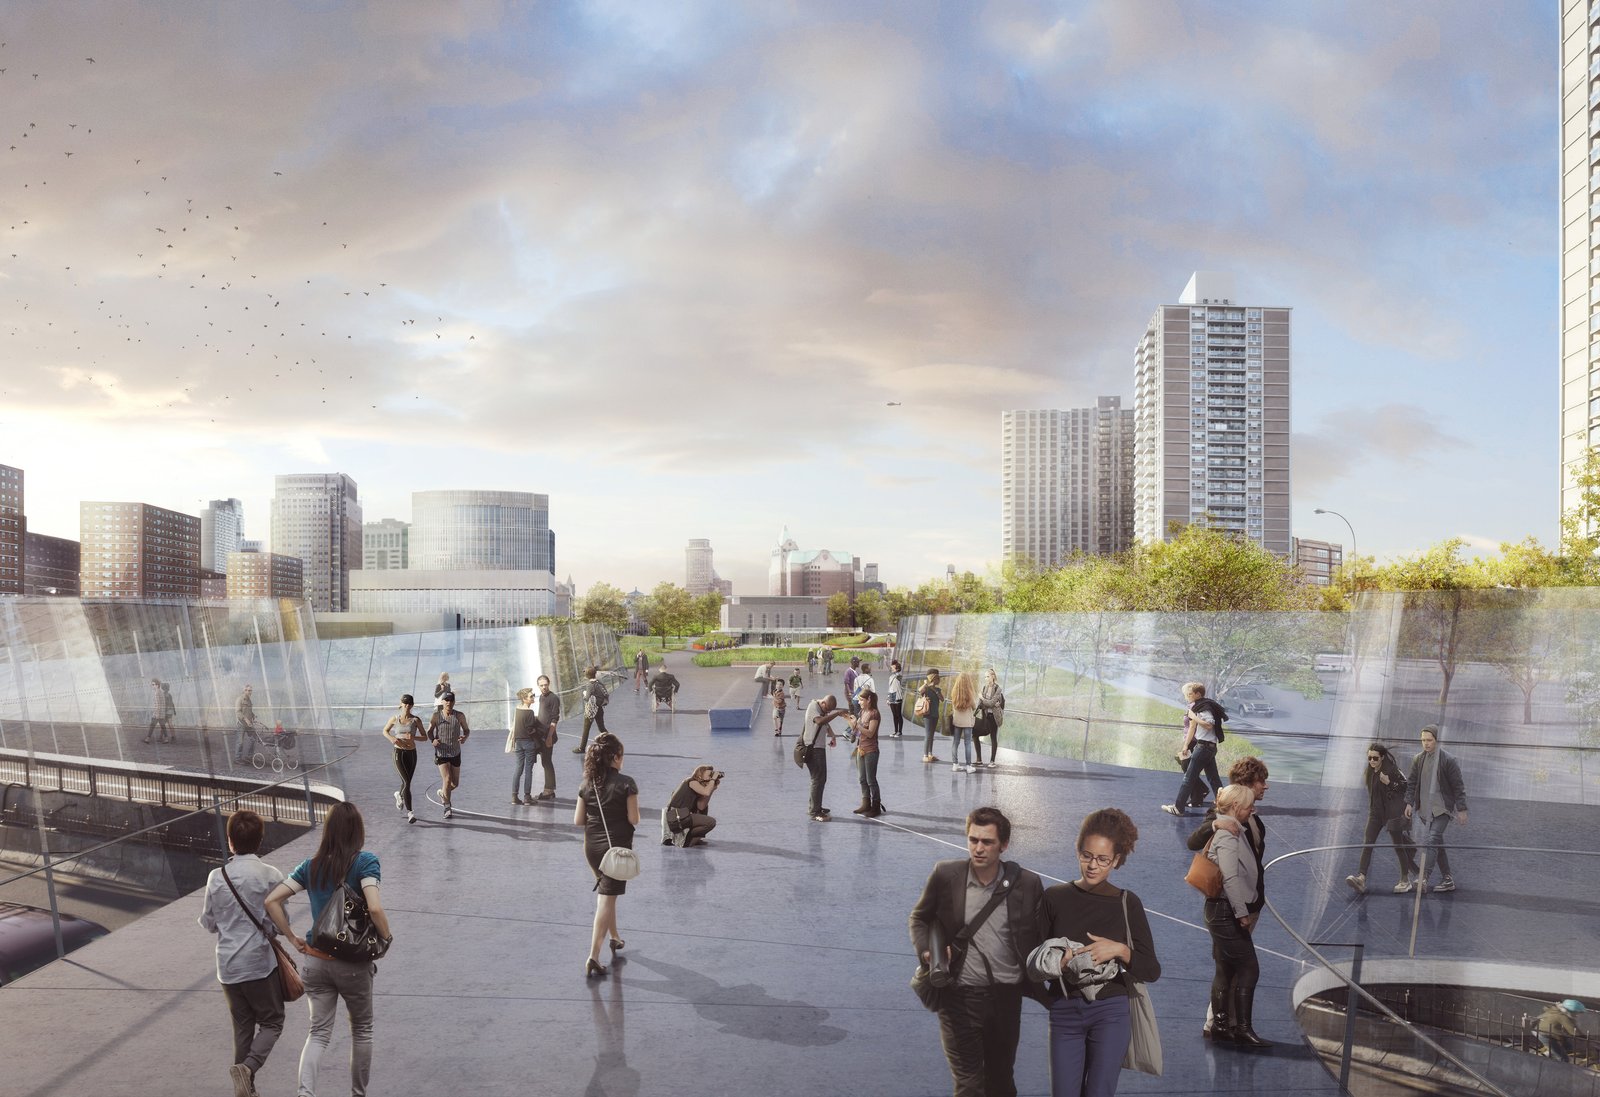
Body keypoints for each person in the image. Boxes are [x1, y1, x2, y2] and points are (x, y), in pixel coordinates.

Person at [909, 806, 1046, 1097]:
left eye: (987, 842)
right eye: (973, 840)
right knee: (969, 1085)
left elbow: (1044, 933)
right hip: (958, 996)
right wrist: (926, 952)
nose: (978, 848)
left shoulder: (1028, 884)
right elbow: (919, 918)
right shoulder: (946, 875)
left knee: (1001, 1082)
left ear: (1004, 845)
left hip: (1006, 999)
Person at [1028, 808, 1160, 1097]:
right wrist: (1058, 970)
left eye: (1102, 859)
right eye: (1086, 855)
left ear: (1116, 861)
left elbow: (1151, 970)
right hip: (1064, 1012)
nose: (1092, 866)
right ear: (1078, 851)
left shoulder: (1128, 903)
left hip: (1111, 1012)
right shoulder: (1054, 898)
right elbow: (1031, 964)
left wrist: (1121, 950)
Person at [264, 802, 391, 1097]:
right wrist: (386, 937)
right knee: (362, 1030)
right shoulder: (365, 862)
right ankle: (358, 1094)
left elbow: (272, 901)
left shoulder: (311, 866)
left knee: (318, 1033)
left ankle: (305, 1093)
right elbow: (373, 906)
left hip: (315, 962)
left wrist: (292, 937)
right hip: (353, 965)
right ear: (357, 830)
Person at [199, 809, 287, 1097]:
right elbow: (276, 924)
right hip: (258, 964)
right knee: (273, 1021)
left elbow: (209, 923)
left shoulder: (216, 876)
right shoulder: (271, 875)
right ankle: (248, 1069)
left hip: (227, 967)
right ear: (260, 839)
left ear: (230, 841)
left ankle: (245, 1090)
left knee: (243, 1028)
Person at [1185, 755, 1271, 1040]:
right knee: (1238, 967)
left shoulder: (1251, 814)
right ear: (1247, 784)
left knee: (1229, 966)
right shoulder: (1225, 815)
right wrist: (1215, 825)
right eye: (1261, 781)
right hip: (1233, 906)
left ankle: (1227, 1024)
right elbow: (1193, 842)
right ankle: (1221, 1024)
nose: (1265, 786)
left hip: (1245, 903)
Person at [1204, 784, 1271, 1047]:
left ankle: (1221, 1026)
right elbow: (1230, 878)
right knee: (1249, 969)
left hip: (1220, 910)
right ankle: (1241, 1028)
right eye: (1248, 806)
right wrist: (1242, 914)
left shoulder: (1231, 827)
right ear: (1234, 808)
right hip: (1226, 912)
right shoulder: (1228, 835)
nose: (1252, 810)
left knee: (1225, 968)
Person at [575, 733, 639, 977]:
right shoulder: (627, 783)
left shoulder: (586, 784)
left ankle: (615, 937)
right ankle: (593, 956)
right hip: (616, 850)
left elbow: (578, 820)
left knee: (607, 894)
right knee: (605, 899)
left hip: (592, 848)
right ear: (615, 757)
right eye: (621, 756)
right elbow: (634, 819)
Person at [1345, 743, 1417, 895]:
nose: (1372, 761)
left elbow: (1406, 787)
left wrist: (1389, 782)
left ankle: (1405, 880)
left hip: (1392, 814)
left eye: (1375, 758)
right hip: (1376, 814)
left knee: (1398, 846)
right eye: (1369, 758)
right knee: (1368, 843)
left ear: (1382, 757)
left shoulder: (1392, 770)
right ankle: (1361, 878)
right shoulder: (1370, 772)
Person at [1404, 725, 1467, 893]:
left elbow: (1458, 787)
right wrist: (1409, 803)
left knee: (1432, 840)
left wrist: (1461, 809)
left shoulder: (1448, 760)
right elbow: (1411, 783)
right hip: (1425, 810)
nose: (1426, 743)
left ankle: (1423, 877)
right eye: (1423, 740)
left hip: (1442, 810)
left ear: (1437, 740)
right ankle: (1448, 879)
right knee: (1436, 843)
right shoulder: (1418, 759)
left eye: (1429, 740)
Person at [1162, 682, 1227, 817]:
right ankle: (1225, 806)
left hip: (1203, 747)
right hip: (1209, 747)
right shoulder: (1203, 705)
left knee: (1188, 779)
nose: (1187, 696)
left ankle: (1178, 808)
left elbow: (1209, 725)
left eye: (1190, 694)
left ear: (1198, 694)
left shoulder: (1203, 707)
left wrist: (1194, 716)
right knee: (1214, 780)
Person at [800, 694, 849, 822]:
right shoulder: (813, 707)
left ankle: (816, 806)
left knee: (821, 779)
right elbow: (820, 721)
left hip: (819, 748)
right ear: (823, 703)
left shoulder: (820, 709)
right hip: (813, 748)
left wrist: (832, 735)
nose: (827, 713)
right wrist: (837, 713)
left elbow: (825, 722)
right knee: (817, 779)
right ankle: (814, 812)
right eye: (827, 710)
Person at [382, 693, 424, 824]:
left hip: (411, 753)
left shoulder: (416, 720)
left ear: (412, 705)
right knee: (406, 782)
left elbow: (425, 737)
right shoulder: (395, 718)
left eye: (409, 704)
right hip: (398, 753)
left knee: (407, 782)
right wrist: (392, 739)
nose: (406, 706)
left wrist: (414, 738)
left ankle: (399, 795)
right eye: (404, 703)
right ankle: (410, 813)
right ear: (401, 704)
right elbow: (385, 731)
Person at [427, 692, 470, 819]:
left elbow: (467, 730)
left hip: (455, 752)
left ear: (454, 702)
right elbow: (429, 731)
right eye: (446, 700)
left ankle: (443, 793)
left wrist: (464, 737)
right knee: (447, 779)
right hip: (442, 752)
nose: (448, 702)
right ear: (442, 702)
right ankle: (447, 807)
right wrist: (432, 740)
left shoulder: (459, 716)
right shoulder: (436, 716)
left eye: (451, 700)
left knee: (455, 783)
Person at [663, 764, 720, 847]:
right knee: (711, 822)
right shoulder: (691, 781)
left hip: (682, 817)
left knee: (704, 811)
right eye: (709, 775)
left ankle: (688, 839)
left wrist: (713, 788)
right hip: (677, 817)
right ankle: (686, 841)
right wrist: (713, 780)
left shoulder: (699, 788)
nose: (711, 777)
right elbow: (706, 792)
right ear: (700, 775)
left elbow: (701, 806)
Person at [525, 674, 561, 802]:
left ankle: (549, 790)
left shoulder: (553, 698)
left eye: (546, 684)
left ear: (549, 684)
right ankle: (548, 789)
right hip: (540, 735)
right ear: (538, 686)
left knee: (546, 762)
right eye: (541, 685)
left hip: (547, 736)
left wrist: (550, 736)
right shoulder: (541, 697)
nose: (544, 687)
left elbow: (554, 718)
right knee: (544, 762)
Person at [850, 688, 884, 817]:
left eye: (861, 699)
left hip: (871, 750)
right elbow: (857, 729)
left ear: (868, 700)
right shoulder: (862, 712)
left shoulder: (874, 714)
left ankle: (876, 806)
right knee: (862, 779)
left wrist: (857, 726)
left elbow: (870, 733)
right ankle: (865, 803)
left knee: (871, 780)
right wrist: (851, 721)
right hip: (861, 748)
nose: (859, 702)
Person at [510, 687, 542, 805]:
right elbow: (530, 729)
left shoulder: (517, 709)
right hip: (528, 743)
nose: (533, 697)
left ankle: (514, 796)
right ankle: (527, 798)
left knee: (518, 769)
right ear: (524, 699)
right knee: (529, 770)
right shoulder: (530, 712)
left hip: (518, 743)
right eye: (531, 696)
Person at [574, 666, 610, 754]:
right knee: (601, 727)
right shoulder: (599, 682)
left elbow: (586, 698)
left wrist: (584, 693)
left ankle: (582, 748)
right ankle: (612, 742)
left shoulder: (590, 685)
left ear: (587, 675)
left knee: (586, 729)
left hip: (591, 709)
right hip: (599, 708)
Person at [948, 672, 979, 774]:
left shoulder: (954, 692)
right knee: (967, 744)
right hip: (967, 722)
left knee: (955, 742)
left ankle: (955, 764)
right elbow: (974, 707)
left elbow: (953, 706)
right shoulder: (970, 693)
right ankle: (968, 766)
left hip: (957, 721)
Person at [976, 669, 1005, 768]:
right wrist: (985, 702)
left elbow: (991, 703)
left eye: (987, 676)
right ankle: (979, 760)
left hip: (994, 717)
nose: (986, 678)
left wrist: (983, 698)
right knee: (975, 735)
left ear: (993, 676)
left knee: (993, 737)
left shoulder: (998, 689)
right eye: (985, 677)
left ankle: (992, 761)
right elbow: (985, 703)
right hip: (985, 716)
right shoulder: (984, 687)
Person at [919, 668, 945, 764]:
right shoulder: (926, 689)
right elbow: (920, 691)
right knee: (928, 734)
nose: (939, 681)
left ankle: (930, 754)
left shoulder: (937, 689)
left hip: (935, 714)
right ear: (933, 679)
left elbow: (942, 699)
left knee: (932, 735)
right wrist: (926, 684)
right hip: (928, 715)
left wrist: (935, 690)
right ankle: (925, 755)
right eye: (938, 679)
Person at [144, 677, 172, 744]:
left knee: (152, 725)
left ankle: (148, 738)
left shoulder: (157, 693)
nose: (152, 686)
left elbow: (158, 704)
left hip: (157, 712)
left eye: (153, 684)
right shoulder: (161, 692)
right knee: (162, 725)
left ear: (157, 685)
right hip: (161, 712)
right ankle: (166, 738)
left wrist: (157, 713)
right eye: (152, 685)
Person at [234, 684, 257, 764]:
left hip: (249, 724)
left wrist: (253, 715)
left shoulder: (249, 700)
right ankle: (237, 759)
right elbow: (238, 712)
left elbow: (248, 711)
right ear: (244, 690)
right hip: (241, 724)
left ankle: (249, 757)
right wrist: (246, 719)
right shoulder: (239, 699)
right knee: (240, 742)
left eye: (250, 690)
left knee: (253, 738)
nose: (249, 692)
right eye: (247, 690)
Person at [887, 660, 905, 738]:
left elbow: (903, 682)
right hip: (891, 696)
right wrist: (888, 698)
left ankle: (900, 731)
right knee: (894, 715)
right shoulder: (891, 677)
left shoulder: (899, 676)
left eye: (893, 667)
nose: (891, 668)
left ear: (897, 669)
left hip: (897, 696)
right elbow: (890, 688)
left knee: (898, 714)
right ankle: (895, 731)